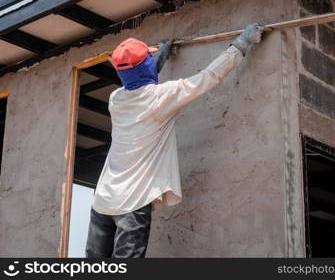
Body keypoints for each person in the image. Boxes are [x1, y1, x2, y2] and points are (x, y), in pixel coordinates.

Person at [85, 23, 266, 258]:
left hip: (102, 202)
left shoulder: (116, 99)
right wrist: (242, 43)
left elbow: (137, 81)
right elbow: (208, 77)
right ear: (146, 66)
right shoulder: (162, 97)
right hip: (132, 203)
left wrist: (159, 58)